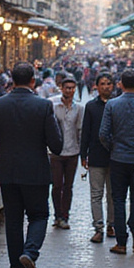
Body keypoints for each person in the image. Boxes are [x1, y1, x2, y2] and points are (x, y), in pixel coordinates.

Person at [0, 61, 63, 268]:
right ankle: (29, 253)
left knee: (14, 220)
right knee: (39, 215)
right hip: (36, 171)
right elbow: (56, 145)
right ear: (33, 81)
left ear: (11, 78)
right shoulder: (43, 106)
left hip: (8, 171)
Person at [99, 68, 134, 255]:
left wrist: (113, 148)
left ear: (121, 84)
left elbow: (103, 134)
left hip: (118, 159)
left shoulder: (112, 105)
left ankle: (121, 242)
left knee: (118, 199)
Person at [80, 71, 115, 243]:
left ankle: (112, 225)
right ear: (97, 86)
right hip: (95, 155)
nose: (106, 86)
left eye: (108, 83)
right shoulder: (91, 107)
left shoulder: (117, 105)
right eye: (102, 83)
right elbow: (85, 131)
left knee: (112, 194)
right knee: (96, 194)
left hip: (115, 156)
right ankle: (98, 227)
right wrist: (83, 154)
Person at [50, 75, 84, 229]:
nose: (69, 91)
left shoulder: (79, 108)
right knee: (57, 185)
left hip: (72, 151)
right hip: (56, 153)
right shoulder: (52, 105)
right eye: (67, 88)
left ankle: (65, 215)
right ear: (61, 88)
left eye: (72, 88)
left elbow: (80, 130)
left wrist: (83, 152)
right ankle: (57, 215)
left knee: (68, 186)